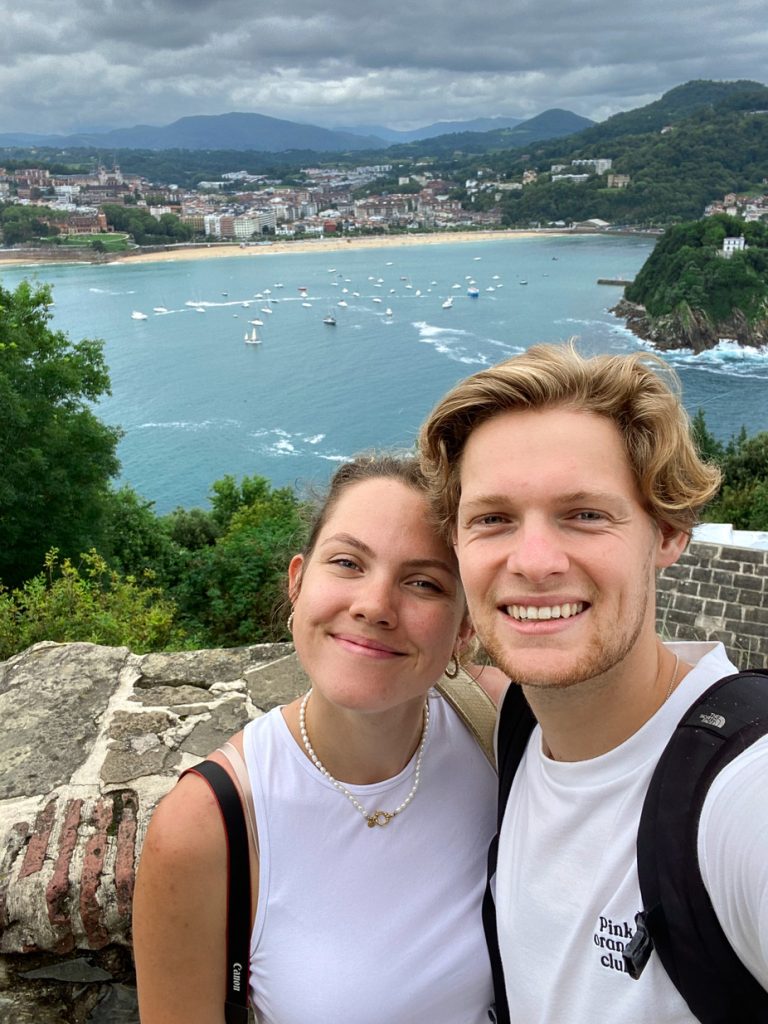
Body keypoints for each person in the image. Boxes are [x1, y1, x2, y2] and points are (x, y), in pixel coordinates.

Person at [419, 343, 768, 1022]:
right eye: (493, 519)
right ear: (457, 544)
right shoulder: (520, 728)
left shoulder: (741, 796)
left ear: (668, 532)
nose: (536, 562)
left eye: (584, 514)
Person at [132, 454, 499, 1024]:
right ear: (298, 581)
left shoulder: (501, 728)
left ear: (465, 627)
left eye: (423, 582)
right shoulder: (206, 828)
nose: (375, 606)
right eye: (348, 563)